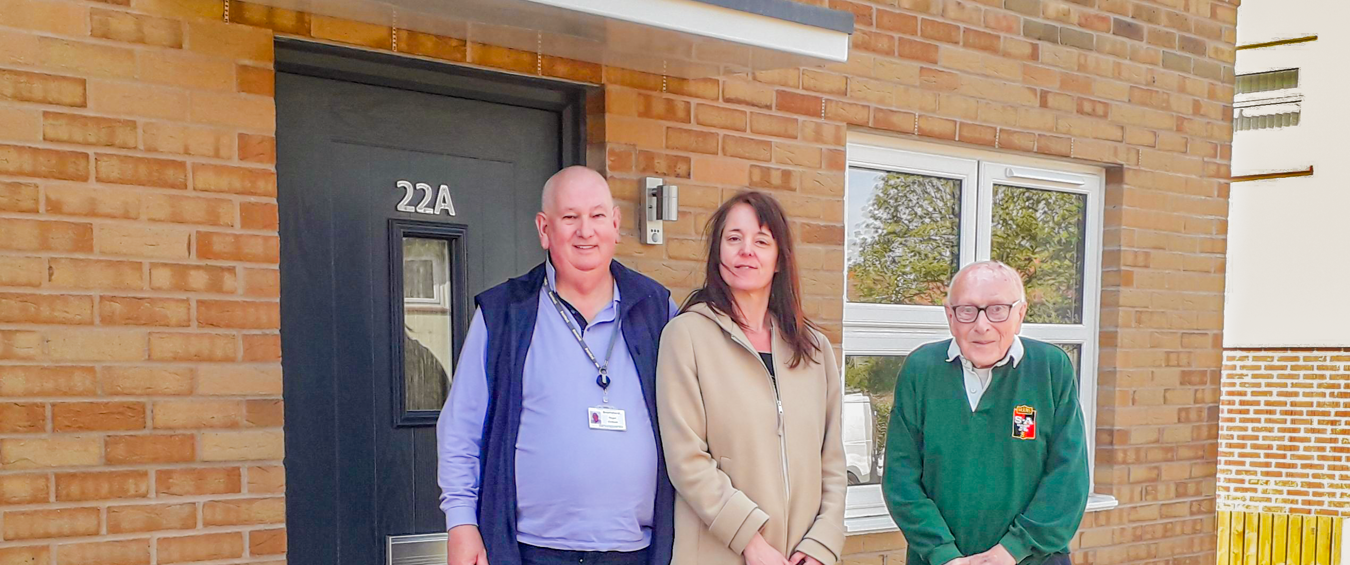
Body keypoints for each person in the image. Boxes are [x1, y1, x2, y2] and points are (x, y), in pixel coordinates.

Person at [437, 166, 678, 565]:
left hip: (638, 551)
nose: (586, 230)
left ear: (615, 224)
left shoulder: (658, 310)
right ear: (544, 229)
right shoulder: (504, 313)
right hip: (530, 551)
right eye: (570, 217)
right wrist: (461, 522)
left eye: (597, 215)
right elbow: (461, 428)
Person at [657, 191, 847, 565]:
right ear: (718, 254)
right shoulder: (686, 336)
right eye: (734, 239)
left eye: (761, 241)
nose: (747, 251)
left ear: (779, 260)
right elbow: (686, 459)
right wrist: (752, 543)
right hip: (720, 554)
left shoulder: (814, 348)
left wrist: (821, 544)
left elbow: (833, 461)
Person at [881, 262, 1089, 565]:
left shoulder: (1050, 368)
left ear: (1020, 314)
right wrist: (944, 555)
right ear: (950, 316)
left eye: (998, 310)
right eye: (967, 310)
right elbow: (901, 479)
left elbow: (1068, 477)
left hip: (1033, 559)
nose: (982, 325)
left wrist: (1012, 551)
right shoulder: (920, 369)